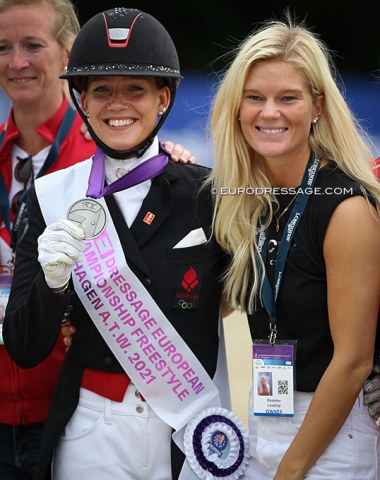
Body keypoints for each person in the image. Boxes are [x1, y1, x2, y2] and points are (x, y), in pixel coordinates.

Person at [3, 7, 235, 480]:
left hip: (187, 427)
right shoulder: (49, 197)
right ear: (82, 101)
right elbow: (24, 346)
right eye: (102, 90)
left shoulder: (209, 194)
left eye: (135, 89)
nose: (118, 104)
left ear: (163, 99)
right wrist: (52, 285)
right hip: (92, 429)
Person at [207, 15, 380, 479]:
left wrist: (291, 470)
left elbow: (353, 361)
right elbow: (212, 301)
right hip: (264, 420)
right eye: (255, 98)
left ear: (317, 106)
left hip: (334, 435)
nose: (269, 113)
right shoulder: (246, 203)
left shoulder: (345, 208)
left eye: (288, 98)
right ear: (237, 107)